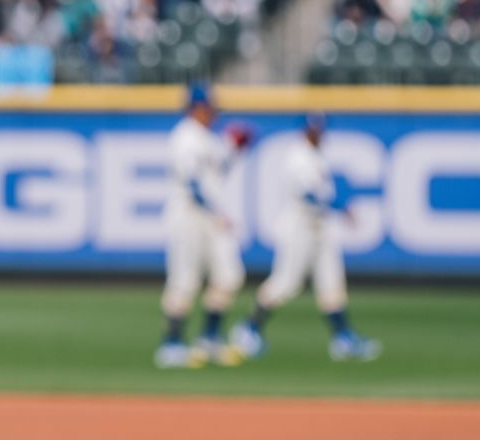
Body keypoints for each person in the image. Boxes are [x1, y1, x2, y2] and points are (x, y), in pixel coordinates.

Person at [228, 113, 380, 362]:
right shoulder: (297, 156)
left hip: (321, 228)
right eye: (313, 129)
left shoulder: (315, 155)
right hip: (299, 228)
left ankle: (343, 337)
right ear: (304, 130)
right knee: (286, 283)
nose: (318, 133)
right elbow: (308, 195)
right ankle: (249, 328)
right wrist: (341, 207)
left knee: (332, 283)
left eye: (320, 128)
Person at [155, 82, 252, 368]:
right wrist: (216, 212)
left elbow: (218, 171)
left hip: (210, 216)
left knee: (229, 276)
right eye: (208, 107)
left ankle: (209, 338)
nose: (212, 113)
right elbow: (192, 183)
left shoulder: (207, 138)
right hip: (187, 214)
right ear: (195, 108)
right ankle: (171, 344)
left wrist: (236, 149)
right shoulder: (184, 137)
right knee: (184, 281)